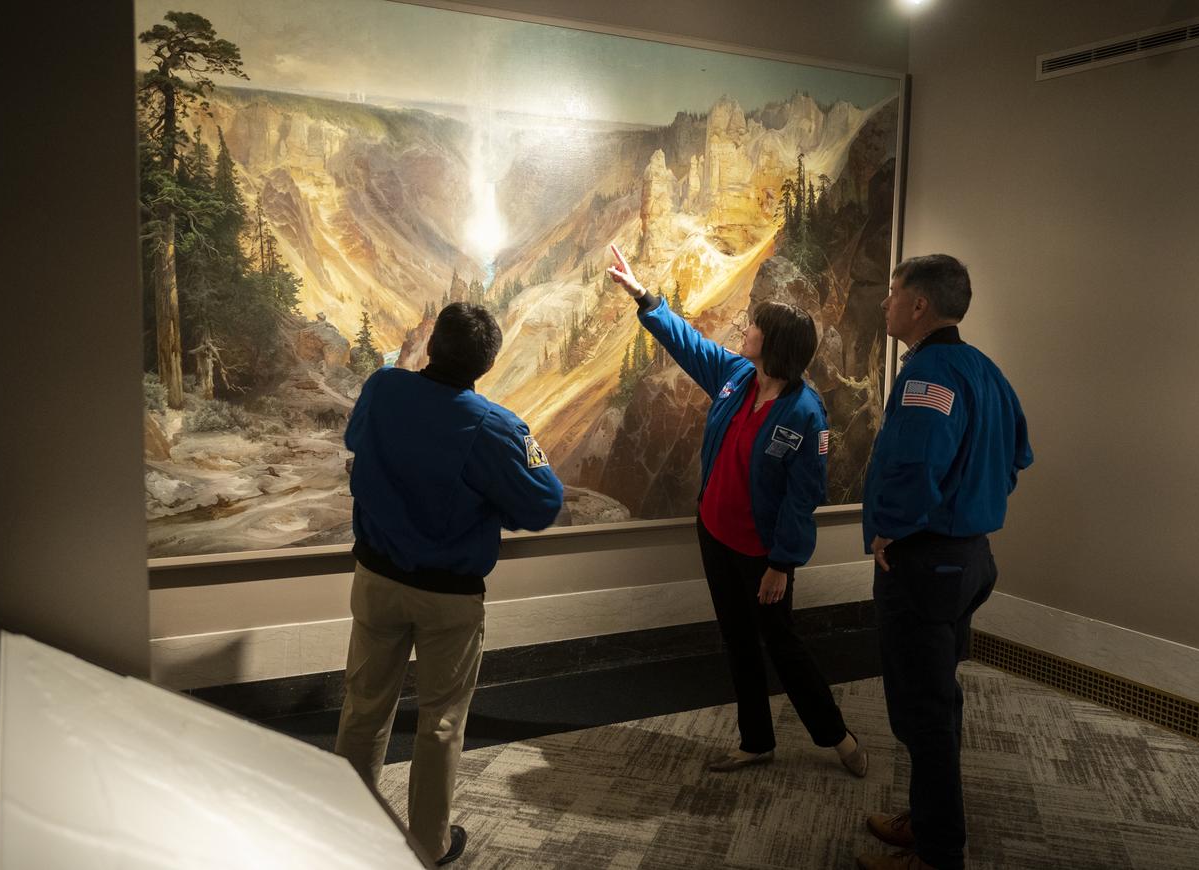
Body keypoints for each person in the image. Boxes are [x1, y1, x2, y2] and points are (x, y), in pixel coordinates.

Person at [607, 244, 868, 779]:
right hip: (716, 535)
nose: (743, 330)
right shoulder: (736, 377)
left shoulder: (805, 412)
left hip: (762, 555)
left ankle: (837, 737)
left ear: (774, 345)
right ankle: (756, 742)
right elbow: (687, 343)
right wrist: (643, 296)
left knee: (783, 644)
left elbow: (803, 499)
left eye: (753, 327)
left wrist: (782, 563)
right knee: (738, 640)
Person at [335, 302, 564, 866]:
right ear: (486, 364)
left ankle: (344, 832)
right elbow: (544, 502)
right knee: (439, 724)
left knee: (363, 708)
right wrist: (488, 503)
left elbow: (354, 441)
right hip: (449, 599)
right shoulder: (496, 429)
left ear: (431, 344)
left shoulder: (383, 388)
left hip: (377, 580)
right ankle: (428, 847)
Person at [858, 255, 1032, 870]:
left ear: (919, 306)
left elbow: (913, 466)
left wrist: (886, 533)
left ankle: (937, 852)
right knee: (938, 699)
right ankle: (928, 819)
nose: (885, 303)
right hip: (969, 562)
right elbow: (1018, 456)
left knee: (922, 710)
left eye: (893, 292)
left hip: (926, 568)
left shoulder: (927, 376)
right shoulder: (984, 369)